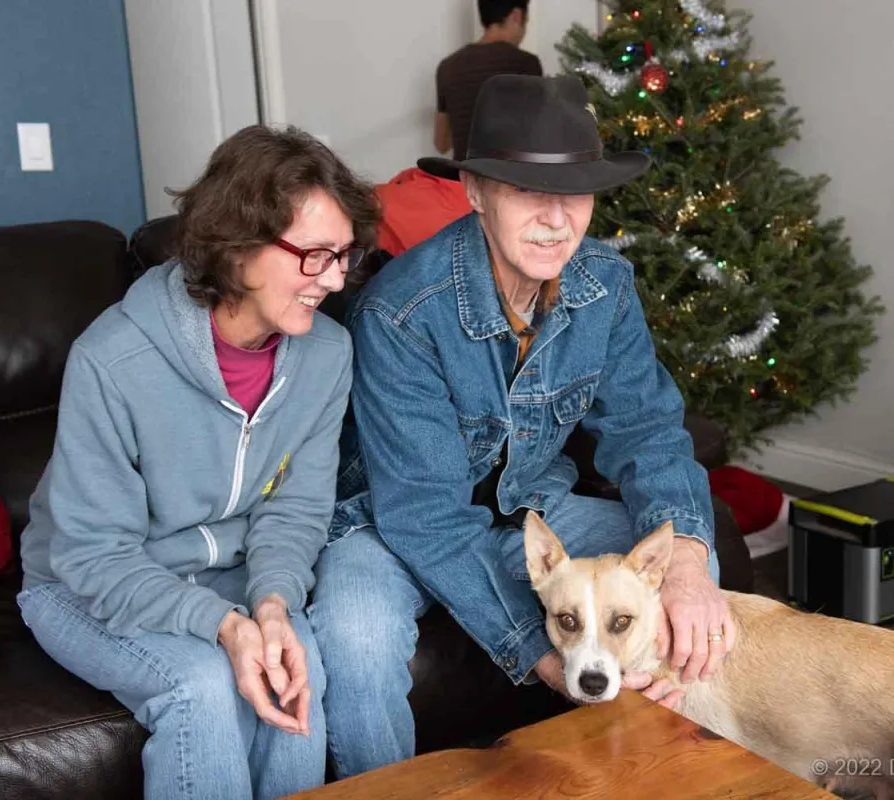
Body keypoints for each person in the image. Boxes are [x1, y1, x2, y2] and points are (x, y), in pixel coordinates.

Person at [311, 74, 735, 780]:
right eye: (528, 192)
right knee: (352, 633)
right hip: (391, 523)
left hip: (537, 507)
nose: (555, 219)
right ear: (475, 192)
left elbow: (649, 431)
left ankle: (643, 772)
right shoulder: (401, 312)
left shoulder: (606, 285)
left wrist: (686, 562)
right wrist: (544, 656)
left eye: (574, 193)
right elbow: (426, 517)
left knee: (695, 570)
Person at [15, 124, 378, 800]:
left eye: (344, 257)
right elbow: (93, 557)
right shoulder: (114, 361)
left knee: (299, 667)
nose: (333, 280)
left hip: (232, 575)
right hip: (82, 583)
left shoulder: (326, 356)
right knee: (204, 687)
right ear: (237, 250)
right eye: (314, 256)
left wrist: (271, 605)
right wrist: (223, 627)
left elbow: (296, 510)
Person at [434, 0, 542, 159]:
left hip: (460, 180)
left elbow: (441, 144)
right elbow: (540, 136)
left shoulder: (447, 67)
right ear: (516, 16)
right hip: (509, 180)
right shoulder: (527, 64)